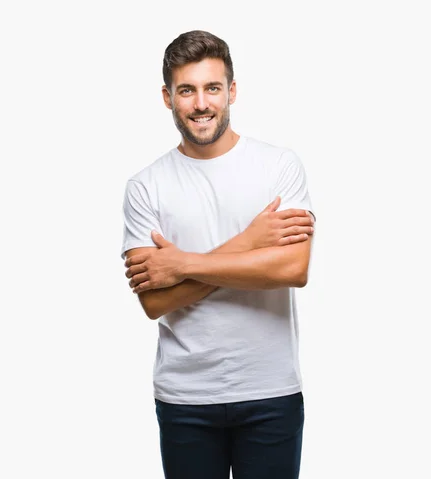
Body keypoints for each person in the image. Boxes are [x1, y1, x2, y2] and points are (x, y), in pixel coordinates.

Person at [120, 30, 315, 479]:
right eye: (187, 90)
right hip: (185, 396)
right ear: (168, 97)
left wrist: (182, 264)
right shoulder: (145, 186)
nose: (201, 103)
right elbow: (154, 302)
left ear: (232, 91)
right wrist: (250, 244)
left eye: (212, 88)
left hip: (270, 390)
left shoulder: (279, 166)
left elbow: (292, 268)